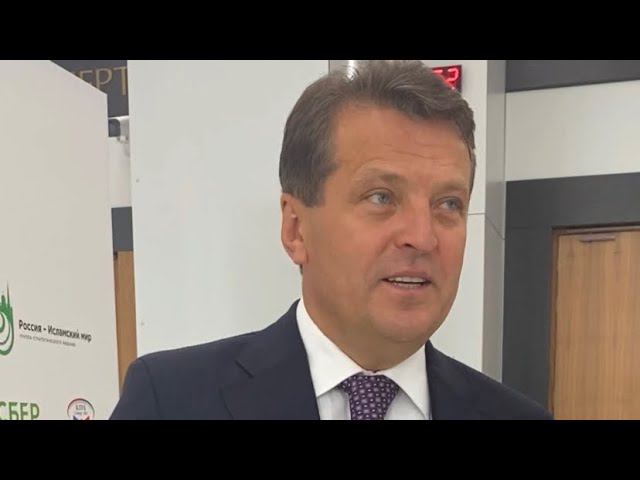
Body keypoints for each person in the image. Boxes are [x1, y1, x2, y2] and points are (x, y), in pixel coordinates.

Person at [111, 60, 552, 420]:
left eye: (449, 204)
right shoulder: (170, 401)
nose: (422, 237)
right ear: (295, 229)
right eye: (381, 197)